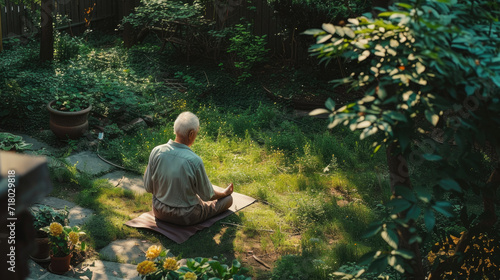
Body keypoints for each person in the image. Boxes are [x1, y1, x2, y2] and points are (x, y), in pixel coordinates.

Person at [143, 111, 233, 225]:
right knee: (228, 200)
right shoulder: (194, 161)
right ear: (191, 134)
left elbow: (148, 188)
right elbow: (207, 196)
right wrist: (224, 194)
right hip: (186, 216)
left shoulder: (156, 151)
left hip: (158, 211)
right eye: (197, 132)